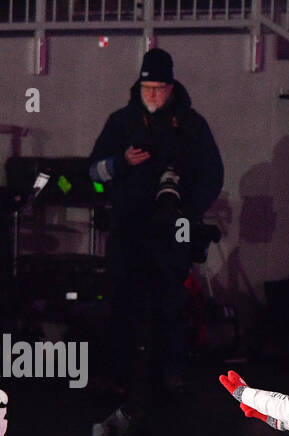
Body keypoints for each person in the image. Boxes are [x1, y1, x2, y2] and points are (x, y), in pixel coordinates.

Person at [89, 47, 223, 397]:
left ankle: (171, 371)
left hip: (172, 227)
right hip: (129, 225)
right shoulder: (121, 122)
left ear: (171, 88)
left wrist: (186, 208)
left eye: (158, 88)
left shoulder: (192, 125)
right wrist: (121, 163)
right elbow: (93, 172)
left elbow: (212, 174)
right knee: (123, 300)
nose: (151, 95)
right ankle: (120, 373)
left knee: (171, 300)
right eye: (147, 87)